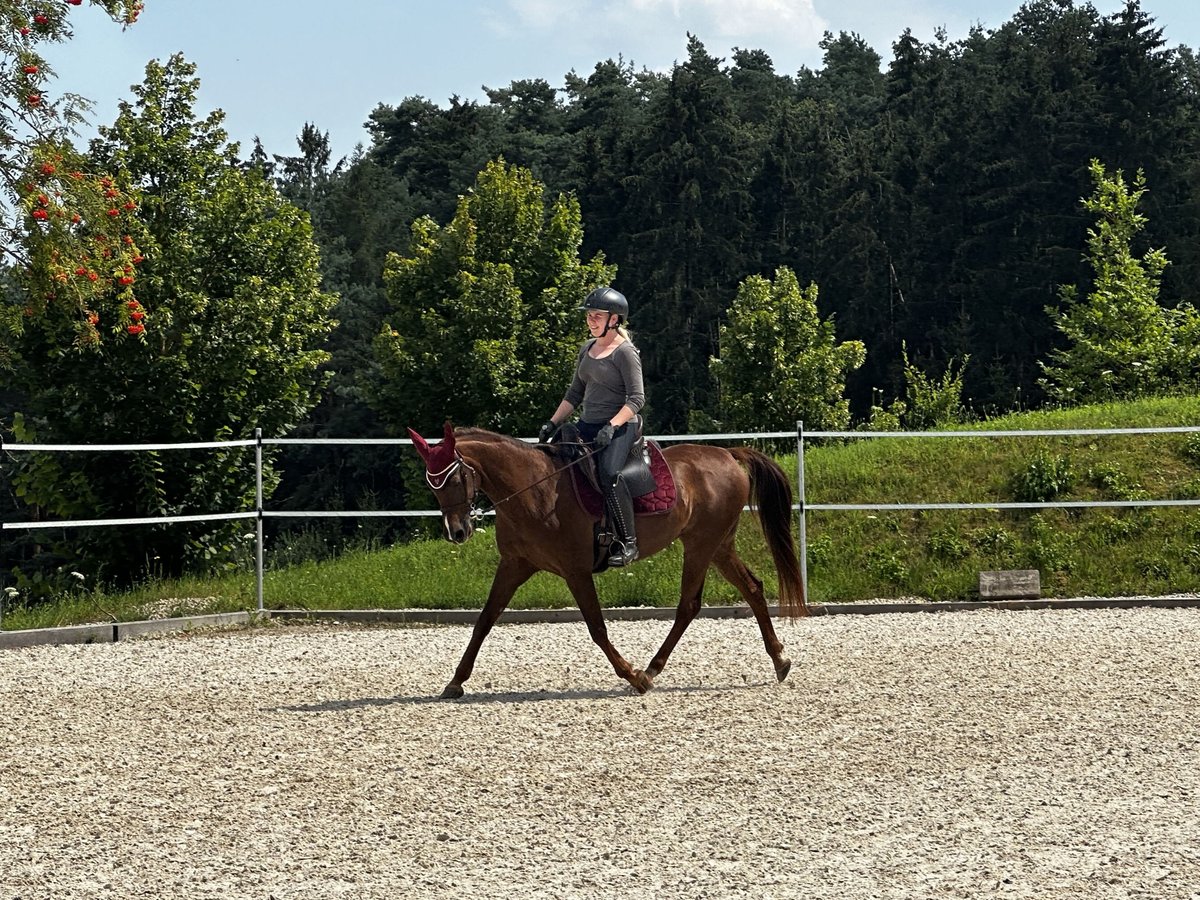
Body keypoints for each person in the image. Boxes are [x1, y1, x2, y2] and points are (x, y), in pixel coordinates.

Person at [539, 286, 645, 567]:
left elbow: (636, 399)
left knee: (609, 474)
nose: (591, 320)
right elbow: (574, 394)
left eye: (597, 316)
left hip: (621, 426)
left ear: (614, 319)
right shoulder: (586, 349)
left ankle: (629, 542)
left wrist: (612, 425)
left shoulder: (625, 353)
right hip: (587, 424)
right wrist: (552, 421)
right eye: (589, 315)